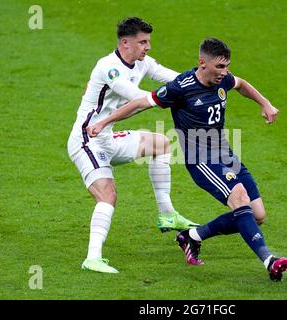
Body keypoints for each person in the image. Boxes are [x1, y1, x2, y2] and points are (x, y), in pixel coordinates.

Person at [86, 38, 287, 281]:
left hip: (226, 153)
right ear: (202, 62)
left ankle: (192, 237)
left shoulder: (223, 78)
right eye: (219, 67)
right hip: (201, 160)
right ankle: (269, 260)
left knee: (257, 215)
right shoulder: (180, 87)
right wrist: (104, 122)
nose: (224, 73)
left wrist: (264, 103)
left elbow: (241, 84)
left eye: (226, 67)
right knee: (240, 199)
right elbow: (141, 103)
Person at [67, 17, 199, 274]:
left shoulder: (142, 63)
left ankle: (167, 214)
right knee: (108, 195)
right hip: (87, 140)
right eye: (143, 42)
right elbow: (134, 96)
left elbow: (174, 79)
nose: (147, 47)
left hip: (107, 137)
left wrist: (199, 82)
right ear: (125, 43)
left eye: (148, 41)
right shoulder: (109, 67)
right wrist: (171, 98)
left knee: (161, 144)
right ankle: (92, 258)